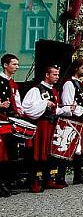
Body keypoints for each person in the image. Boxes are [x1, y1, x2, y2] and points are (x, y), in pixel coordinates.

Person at [21, 65, 73, 192]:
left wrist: (67, 109)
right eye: (54, 74)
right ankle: (34, 181)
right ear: (47, 75)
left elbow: (55, 109)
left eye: (57, 74)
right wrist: (44, 103)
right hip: (41, 125)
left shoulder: (53, 90)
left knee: (49, 153)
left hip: (51, 124)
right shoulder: (36, 90)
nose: (57, 77)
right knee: (38, 152)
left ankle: (47, 179)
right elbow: (26, 107)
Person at [0, 54, 22, 197]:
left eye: (17, 64)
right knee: (2, 154)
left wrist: (18, 109)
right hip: (0, 121)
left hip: (9, 120)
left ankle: (7, 182)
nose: (17, 67)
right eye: (14, 64)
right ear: (5, 65)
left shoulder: (11, 82)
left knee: (11, 154)